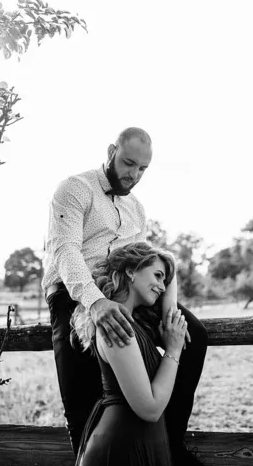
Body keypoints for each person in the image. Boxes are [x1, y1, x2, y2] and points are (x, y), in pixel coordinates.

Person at [42, 127, 207, 465]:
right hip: (72, 294)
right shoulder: (75, 188)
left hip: (123, 292)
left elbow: (146, 260)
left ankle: (170, 444)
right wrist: (95, 301)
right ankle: (86, 457)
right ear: (111, 151)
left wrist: (167, 310)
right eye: (128, 163)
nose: (134, 175)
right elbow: (65, 250)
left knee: (194, 336)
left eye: (142, 169)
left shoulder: (137, 209)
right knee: (80, 390)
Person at [71, 242, 186, 466]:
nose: (163, 286)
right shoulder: (116, 325)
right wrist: (173, 350)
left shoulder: (134, 322)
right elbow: (150, 409)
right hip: (120, 448)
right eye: (158, 276)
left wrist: (166, 263)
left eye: (165, 279)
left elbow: (169, 292)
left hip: (138, 441)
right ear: (131, 270)